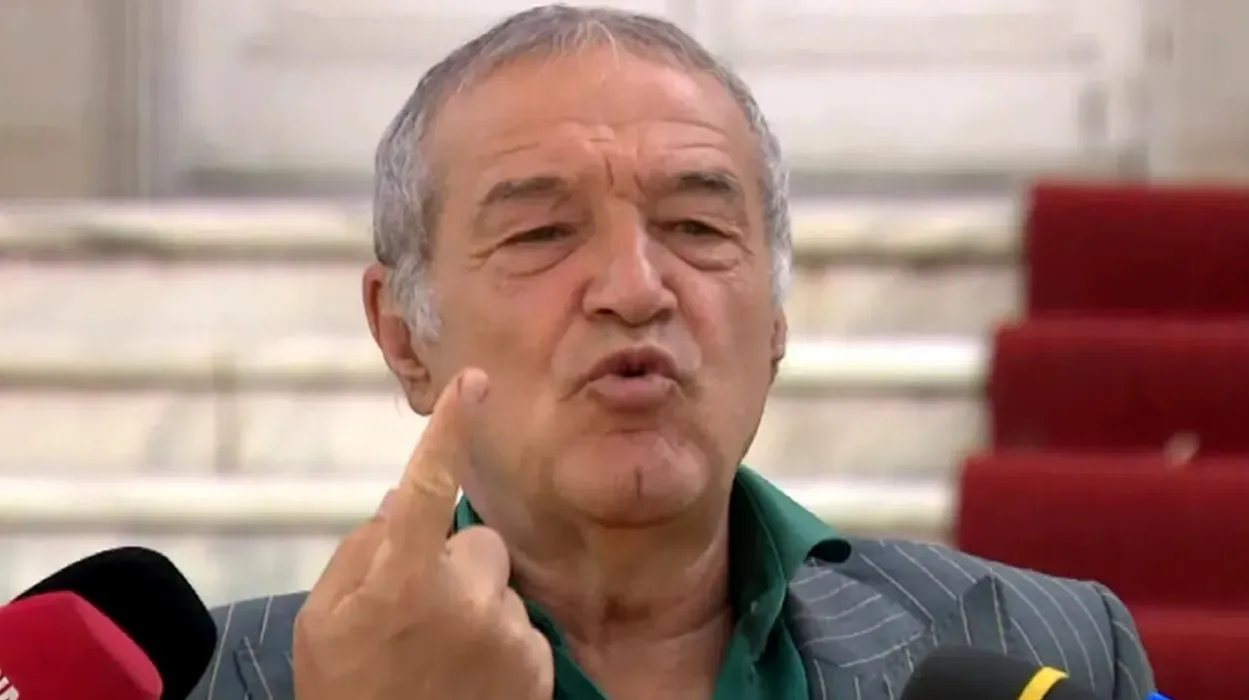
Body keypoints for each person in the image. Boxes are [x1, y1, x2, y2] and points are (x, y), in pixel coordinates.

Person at [188, 6, 1155, 700]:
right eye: (540, 234)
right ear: (403, 334)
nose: (636, 287)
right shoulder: (218, 677)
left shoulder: (1048, 653)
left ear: (775, 318)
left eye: (696, 226)